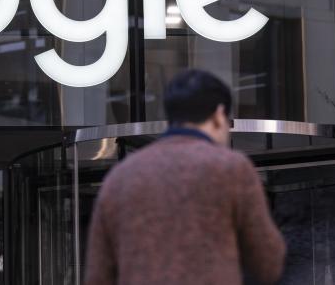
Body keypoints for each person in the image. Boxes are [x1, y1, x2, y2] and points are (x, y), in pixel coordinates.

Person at [84, 69, 286, 285]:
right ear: (219, 115)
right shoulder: (232, 168)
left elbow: (98, 275)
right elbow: (268, 263)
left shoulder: (120, 177)